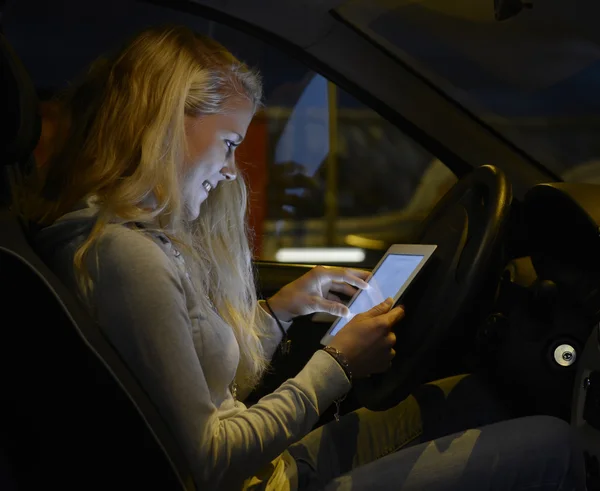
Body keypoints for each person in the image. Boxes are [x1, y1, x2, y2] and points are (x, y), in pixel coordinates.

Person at [13, 26, 586, 491]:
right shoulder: (126, 258)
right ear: (167, 123)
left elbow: (205, 382)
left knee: (478, 397)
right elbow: (209, 461)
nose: (233, 170)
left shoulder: (130, 240)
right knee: (555, 445)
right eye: (229, 144)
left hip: (270, 473)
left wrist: (282, 311)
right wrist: (335, 366)